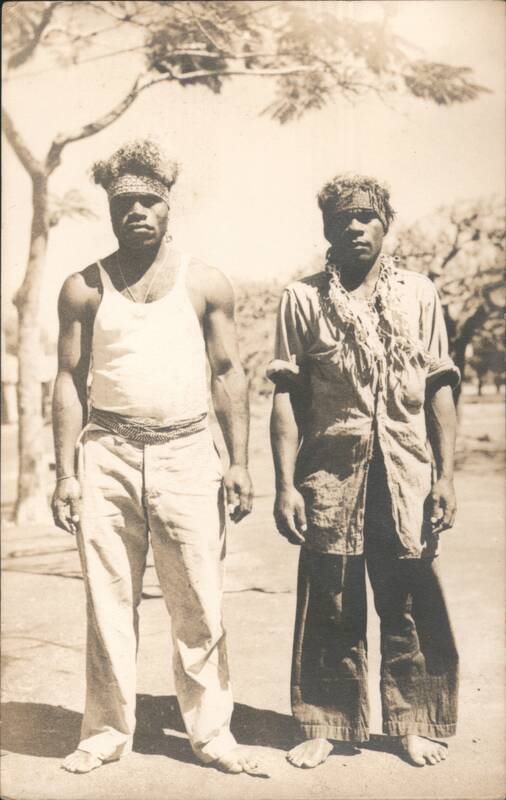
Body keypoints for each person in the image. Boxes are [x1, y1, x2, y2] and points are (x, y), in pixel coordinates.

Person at [52, 139, 266, 777]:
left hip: (186, 453)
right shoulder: (83, 287)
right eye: (125, 203)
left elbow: (228, 372)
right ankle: (106, 731)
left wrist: (239, 461)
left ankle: (211, 734)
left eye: (150, 201)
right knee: (109, 601)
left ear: (171, 205)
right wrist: (65, 473)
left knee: (199, 601)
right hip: (107, 455)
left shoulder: (205, 282)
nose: (137, 212)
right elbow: (67, 380)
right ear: (110, 210)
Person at [268, 174, 459, 769]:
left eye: (366, 217)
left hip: (405, 473)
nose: (354, 227)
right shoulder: (301, 299)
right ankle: (326, 721)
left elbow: (438, 392)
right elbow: (284, 399)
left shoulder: (420, 294)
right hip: (330, 477)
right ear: (326, 227)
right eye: (342, 218)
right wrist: (282, 485)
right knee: (330, 598)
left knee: (408, 598)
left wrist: (446, 477)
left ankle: (413, 722)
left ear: (385, 224)